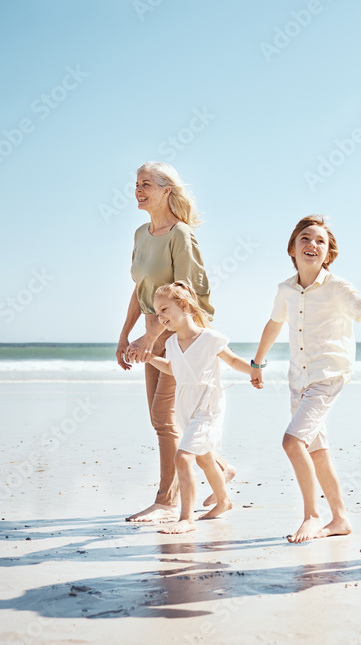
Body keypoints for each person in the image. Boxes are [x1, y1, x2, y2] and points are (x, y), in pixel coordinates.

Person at [249, 216, 361, 543]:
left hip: (327, 375)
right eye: (305, 238)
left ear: (329, 254)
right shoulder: (285, 290)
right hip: (298, 379)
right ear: (292, 248)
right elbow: (274, 325)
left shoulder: (337, 288)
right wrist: (256, 363)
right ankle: (340, 519)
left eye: (320, 241)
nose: (312, 245)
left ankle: (312, 516)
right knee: (316, 450)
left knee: (293, 442)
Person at [117, 161, 235, 523]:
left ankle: (167, 500)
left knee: (163, 416)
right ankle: (220, 468)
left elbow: (188, 294)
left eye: (146, 183)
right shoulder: (141, 234)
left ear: (167, 190)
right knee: (166, 419)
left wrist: (152, 336)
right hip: (154, 330)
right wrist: (125, 335)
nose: (138, 189)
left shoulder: (180, 235)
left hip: (182, 335)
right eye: (136, 183)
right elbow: (141, 290)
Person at [145, 282, 255, 534]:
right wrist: (151, 357)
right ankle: (224, 501)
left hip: (208, 405)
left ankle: (186, 518)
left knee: (183, 458)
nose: (160, 317)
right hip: (185, 406)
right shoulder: (171, 343)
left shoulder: (210, 338)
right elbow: (174, 369)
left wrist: (253, 371)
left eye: (164, 309)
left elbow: (233, 360)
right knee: (205, 459)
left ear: (184, 305)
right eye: (157, 312)